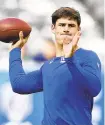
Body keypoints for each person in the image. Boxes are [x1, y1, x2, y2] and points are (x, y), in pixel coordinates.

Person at [9, 7, 101, 125]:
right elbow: (19, 84)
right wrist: (15, 51)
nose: (66, 29)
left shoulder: (88, 56)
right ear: (53, 28)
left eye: (71, 25)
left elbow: (94, 88)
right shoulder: (48, 66)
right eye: (62, 25)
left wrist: (70, 60)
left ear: (79, 29)